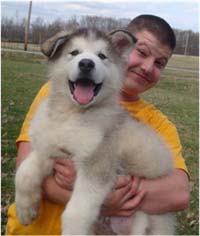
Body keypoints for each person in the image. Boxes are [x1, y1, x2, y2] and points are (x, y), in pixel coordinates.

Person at [6, 14, 190, 235]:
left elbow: (178, 195)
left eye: (159, 63)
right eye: (141, 52)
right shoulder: (51, 95)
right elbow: (29, 159)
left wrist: (107, 195)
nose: (147, 67)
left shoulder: (158, 124)